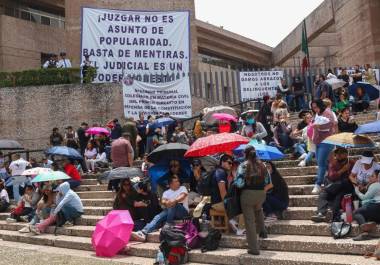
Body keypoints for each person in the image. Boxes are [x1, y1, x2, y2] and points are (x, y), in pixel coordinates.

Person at [131, 175, 189, 241]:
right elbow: (163, 201)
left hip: (183, 213)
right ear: (170, 184)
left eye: (178, 181)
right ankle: (143, 232)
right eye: (176, 181)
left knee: (174, 204)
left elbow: (182, 196)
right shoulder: (166, 192)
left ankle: (168, 224)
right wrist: (167, 202)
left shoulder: (182, 188)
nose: (178, 182)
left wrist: (173, 201)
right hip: (170, 211)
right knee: (157, 217)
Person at [311, 147, 355, 222]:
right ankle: (321, 213)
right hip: (334, 185)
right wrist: (342, 170)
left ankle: (335, 215)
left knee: (342, 188)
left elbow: (354, 176)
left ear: (346, 154)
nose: (338, 155)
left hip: (347, 186)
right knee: (323, 194)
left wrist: (348, 171)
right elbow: (331, 176)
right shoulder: (333, 163)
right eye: (337, 154)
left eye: (341, 153)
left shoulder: (351, 163)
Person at [237, 146, 267, 255]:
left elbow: (239, 183)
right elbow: (267, 180)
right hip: (261, 194)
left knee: (249, 222)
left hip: (248, 195)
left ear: (245, 154)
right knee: (258, 209)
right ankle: (263, 231)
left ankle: (253, 248)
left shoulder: (243, 165)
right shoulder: (263, 165)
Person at [311, 99, 335, 194]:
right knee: (322, 163)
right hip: (318, 141)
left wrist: (318, 127)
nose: (315, 109)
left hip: (327, 141)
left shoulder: (328, 112)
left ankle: (318, 184)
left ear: (320, 105)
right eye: (313, 108)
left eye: (316, 107)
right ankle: (328, 180)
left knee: (321, 163)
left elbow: (331, 124)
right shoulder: (317, 114)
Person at [352, 173, 380, 241]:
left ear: (377, 178)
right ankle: (371, 222)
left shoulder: (376, 185)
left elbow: (364, 198)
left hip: (377, 206)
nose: (370, 177)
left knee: (356, 212)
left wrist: (357, 191)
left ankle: (365, 233)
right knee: (369, 215)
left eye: (372, 176)